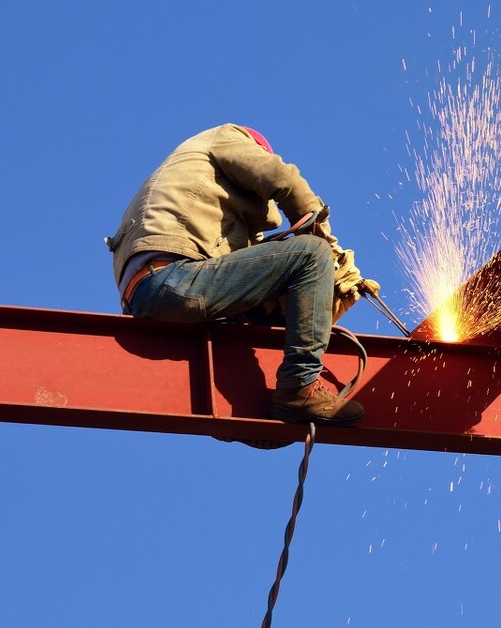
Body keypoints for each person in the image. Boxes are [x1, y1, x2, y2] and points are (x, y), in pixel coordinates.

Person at [105, 123, 366, 426]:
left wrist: (312, 300)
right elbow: (280, 176)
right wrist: (321, 234)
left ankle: (242, 419)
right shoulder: (228, 136)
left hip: (154, 294)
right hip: (172, 279)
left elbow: (250, 274)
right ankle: (300, 385)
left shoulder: (193, 203)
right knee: (311, 254)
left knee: (265, 316)